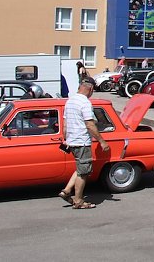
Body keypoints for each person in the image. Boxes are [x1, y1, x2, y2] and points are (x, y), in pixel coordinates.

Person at [59, 77, 110, 209]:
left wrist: (65, 139)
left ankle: (66, 191)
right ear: (91, 89)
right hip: (82, 141)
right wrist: (102, 141)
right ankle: (78, 201)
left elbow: (65, 124)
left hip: (72, 141)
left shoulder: (70, 101)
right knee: (84, 173)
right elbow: (89, 124)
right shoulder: (85, 103)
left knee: (80, 168)